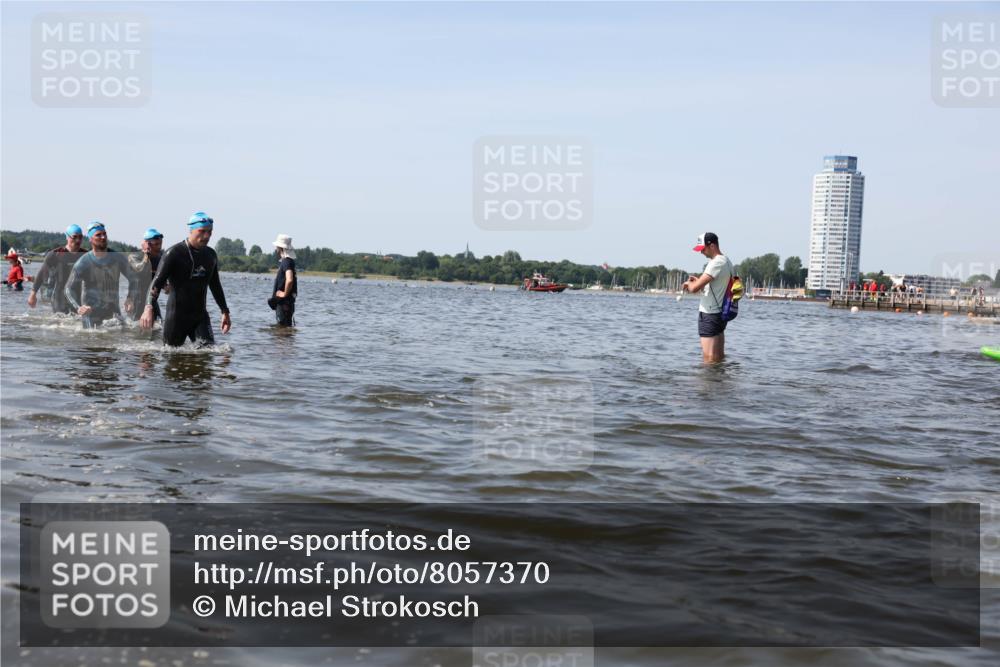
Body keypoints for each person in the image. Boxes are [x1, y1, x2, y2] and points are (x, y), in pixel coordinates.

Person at [140, 212, 231, 347]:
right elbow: (157, 283)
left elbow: (215, 285)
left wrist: (225, 311)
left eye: (210, 232)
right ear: (191, 230)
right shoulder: (174, 253)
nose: (206, 236)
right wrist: (148, 308)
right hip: (176, 318)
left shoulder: (211, 255)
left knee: (208, 353)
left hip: (200, 317)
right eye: (202, 231)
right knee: (171, 357)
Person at [63, 222, 138, 328]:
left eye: (104, 234)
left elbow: (134, 278)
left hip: (114, 315)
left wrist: (130, 298)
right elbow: (68, 289)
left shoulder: (117, 258)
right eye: (98, 235)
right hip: (90, 317)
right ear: (90, 239)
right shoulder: (83, 262)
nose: (103, 237)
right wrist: (79, 308)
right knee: (92, 342)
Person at [681, 232, 734, 363]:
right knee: (718, 357)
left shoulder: (715, 263)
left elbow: (693, 289)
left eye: (702, 249)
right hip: (720, 314)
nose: (701, 252)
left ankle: (707, 383)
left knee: (709, 357)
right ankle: (718, 382)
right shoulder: (727, 261)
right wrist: (699, 281)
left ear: (712, 246)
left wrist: (689, 284)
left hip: (710, 315)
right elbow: (716, 287)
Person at [28, 224, 85, 313]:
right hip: (59, 298)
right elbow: (42, 274)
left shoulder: (85, 255)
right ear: (67, 237)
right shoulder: (55, 254)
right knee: (60, 324)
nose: (78, 240)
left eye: (80, 237)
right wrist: (33, 293)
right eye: (74, 237)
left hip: (78, 298)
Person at [125, 228, 165, 322]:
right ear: (148, 244)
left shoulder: (159, 259)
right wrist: (146, 255)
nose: (159, 247)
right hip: (136, 301)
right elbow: (139, 269)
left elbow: (159, 278)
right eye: (157, 244)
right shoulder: (134, 256)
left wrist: (166, 286)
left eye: (160, 244)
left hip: (151, 301)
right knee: (135, 330)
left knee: (158, 326)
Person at [270, 234, 297, 326]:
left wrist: (284, 293)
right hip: (287, 304)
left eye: (277, 246)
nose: (276, 248)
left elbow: (289, 280)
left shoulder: (286, 262)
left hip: (284, 304)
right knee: (285, 332)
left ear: (280, 247)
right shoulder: (288, 261)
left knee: (282, 332)